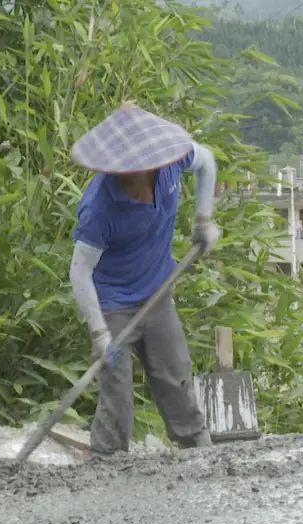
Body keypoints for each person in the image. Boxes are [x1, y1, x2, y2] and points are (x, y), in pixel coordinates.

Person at [67, 104, 219, 454]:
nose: (131, 182)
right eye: (123, 174)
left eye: (136, 173)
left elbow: (207, 161)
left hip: (157, 290)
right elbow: (80, 271)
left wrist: (203, 221)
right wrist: (100, 333)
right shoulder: (99, 207)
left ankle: (199, 450)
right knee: (116, 390)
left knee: (175, 374)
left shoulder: (170, 164)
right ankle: (107, 461)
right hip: (113, 304)